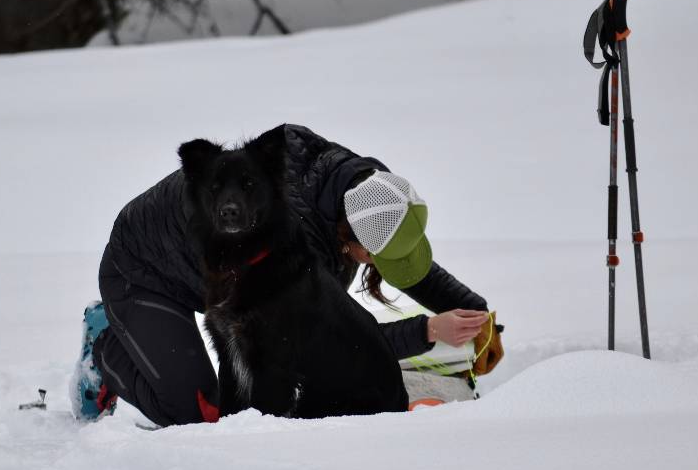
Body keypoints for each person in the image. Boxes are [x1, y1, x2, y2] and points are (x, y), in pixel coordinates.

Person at [72, 124, 493, 426]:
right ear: (349, 234)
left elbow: (395, 255)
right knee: (197, 414)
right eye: (375, 257)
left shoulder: (365, 190)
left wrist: (477, 311)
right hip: (141, 272)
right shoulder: (292, 240)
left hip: (206, 275)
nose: (377, 267)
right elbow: (346, 339)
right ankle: (108, 347)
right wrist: (430, 330)